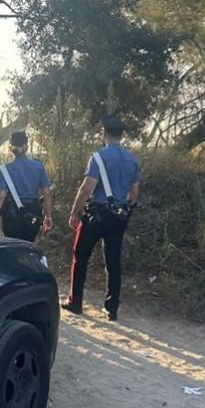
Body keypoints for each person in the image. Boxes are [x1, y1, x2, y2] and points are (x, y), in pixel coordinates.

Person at [61, 116, 140, 321]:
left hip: (96, 214)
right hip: (118, 215)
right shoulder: (132, 160)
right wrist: (124, 209)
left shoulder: (98, 157)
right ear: (121, 135)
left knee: (80, 255)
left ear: (104, 133)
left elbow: (87, 188)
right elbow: (134, 194)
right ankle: (111, 309)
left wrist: (75, 213)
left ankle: (75, 301)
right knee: (113, 261)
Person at [0, 131, 54, 242]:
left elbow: (1, 196)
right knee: (28, 244)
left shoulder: (6, 169)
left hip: (12, 213)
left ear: (11, 147)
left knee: (14, 246)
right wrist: (48, 216)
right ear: (27, 146)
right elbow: (47, 193)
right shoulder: (38, 166)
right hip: (33, 211)